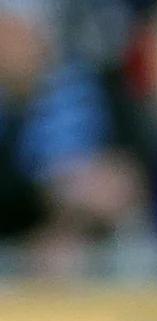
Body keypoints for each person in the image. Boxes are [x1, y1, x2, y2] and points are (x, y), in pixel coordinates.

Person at [0, 0, 144, 265]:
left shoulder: (92, 84)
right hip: (19, 248)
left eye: (18, 36)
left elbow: (133, 162)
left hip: (99, 241)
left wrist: (119, 179)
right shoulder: (10, 111)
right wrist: (49, 194)